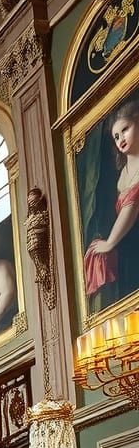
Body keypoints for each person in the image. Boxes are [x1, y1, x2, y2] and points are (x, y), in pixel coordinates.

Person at [85, 100, 139, 301]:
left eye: (125, 129)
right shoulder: (122, 173)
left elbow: (131, 209)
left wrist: (109, 243)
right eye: (116, 136)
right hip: (130, 246)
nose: (120, 139)